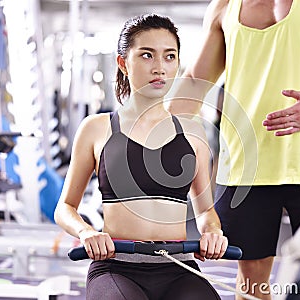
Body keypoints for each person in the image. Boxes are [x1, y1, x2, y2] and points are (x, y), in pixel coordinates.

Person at [168, 0, 300, 299]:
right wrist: (146, 132)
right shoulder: (225, 7)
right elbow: (195, 82)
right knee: (251, 285)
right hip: (246, 167)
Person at [54, 14, 229, 300]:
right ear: (123, 63)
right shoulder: (96, 128)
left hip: (178, 267)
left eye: (169, 56)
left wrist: (212, 232)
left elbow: (206, 212)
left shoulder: (193, 133)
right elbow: (65, 208)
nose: (160, 67)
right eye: (147, 55)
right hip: (116, 268)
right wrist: (86, 232)